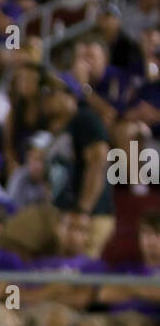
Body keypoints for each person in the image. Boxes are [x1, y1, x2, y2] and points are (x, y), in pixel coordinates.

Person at [72, 209, 160, 326]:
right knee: (88, 325)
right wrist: (144, 290)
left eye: (157, 235)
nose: (151, 241)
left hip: (150, 323)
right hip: (115, 319)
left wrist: (130, 288)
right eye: (146, 234)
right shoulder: (127, 267)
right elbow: (104, 294)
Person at [20, 208, 102, 326]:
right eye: (69, 227)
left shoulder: (92, 265)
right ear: (58, 229)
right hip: (28, 315)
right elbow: (12, 299)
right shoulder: (34, 264)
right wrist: (52, 290)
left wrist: (39, 295)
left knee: (55, 316)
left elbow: (82, 299)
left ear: (87, 236)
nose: (73, 235)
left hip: (68, 316)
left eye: (81, 230)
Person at [43, 76, 115, 256]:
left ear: (72, 97)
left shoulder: (85, 119)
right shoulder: (59, 129)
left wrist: (84, 209)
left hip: (91, 215)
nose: (47, 97)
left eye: (53, 92)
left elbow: (99, 161)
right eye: (45, 92)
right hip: (64, 213)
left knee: (81, 272)